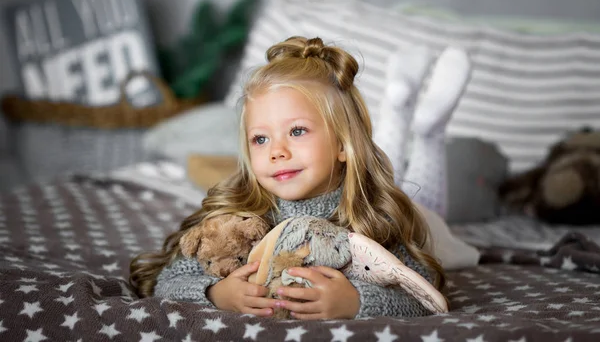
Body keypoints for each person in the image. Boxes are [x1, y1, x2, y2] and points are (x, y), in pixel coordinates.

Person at [130, 36, 469, 320]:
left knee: (429, 215)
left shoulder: (373, 217)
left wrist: (356, 302)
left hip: (418, 215)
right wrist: (216, 292)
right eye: (260, 139)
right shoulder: (244, 216)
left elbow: (422, 293)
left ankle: (424, 131)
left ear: (341, 143)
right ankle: (406, 110)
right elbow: (168, 280)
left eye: (296, 131)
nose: (277, 151)